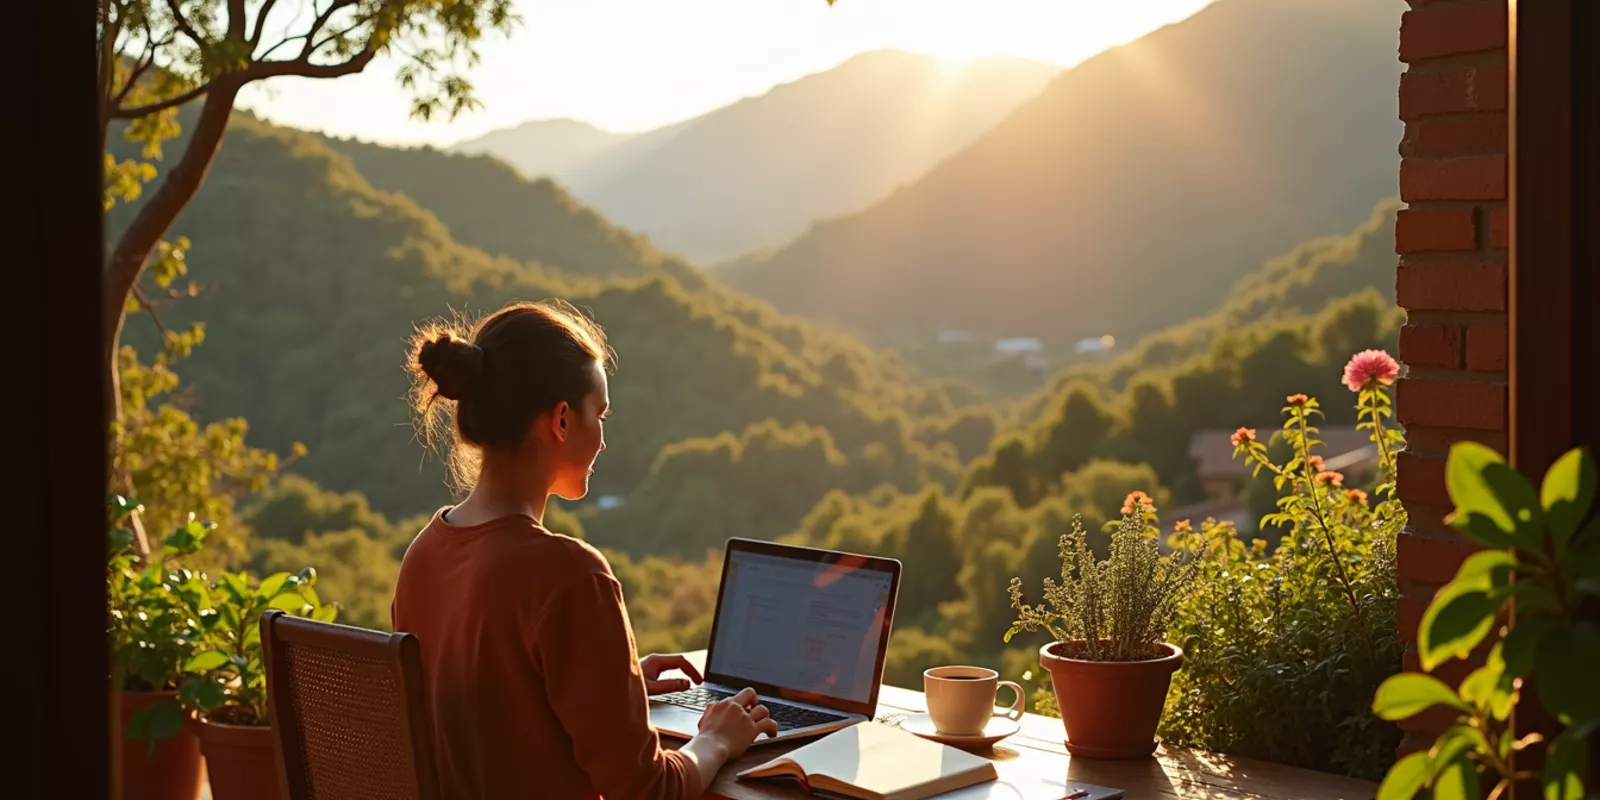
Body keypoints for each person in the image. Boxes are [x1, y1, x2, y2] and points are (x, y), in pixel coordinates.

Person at [392, 300, 778, 798]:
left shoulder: (423, 555)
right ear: (561, 421)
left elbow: (493, 711)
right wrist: (715, 740)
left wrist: (619, 689)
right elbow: (648, 791)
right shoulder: (570, 575)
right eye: (600, 413)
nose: (602, 439)